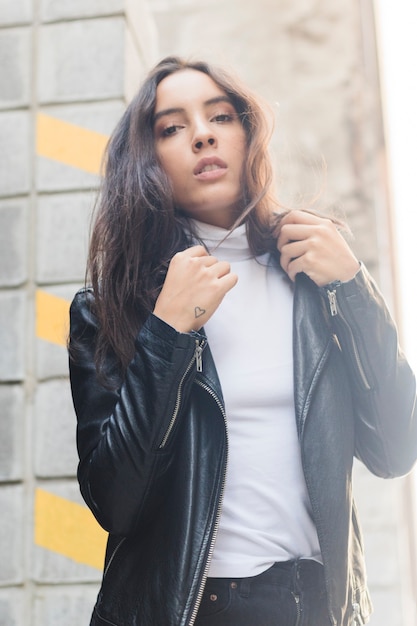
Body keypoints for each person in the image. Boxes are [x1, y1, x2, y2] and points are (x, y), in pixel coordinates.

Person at [68, 56, 417, 626]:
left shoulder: (314, 284)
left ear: (248, 133)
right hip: (195, 610)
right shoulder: (113, 310)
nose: (202, 133)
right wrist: (166, 332)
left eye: (220, 116)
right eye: (172, 127)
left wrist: (355, 286)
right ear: (148, 162)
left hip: (318, 608)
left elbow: (396, 448)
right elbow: (116, 501)